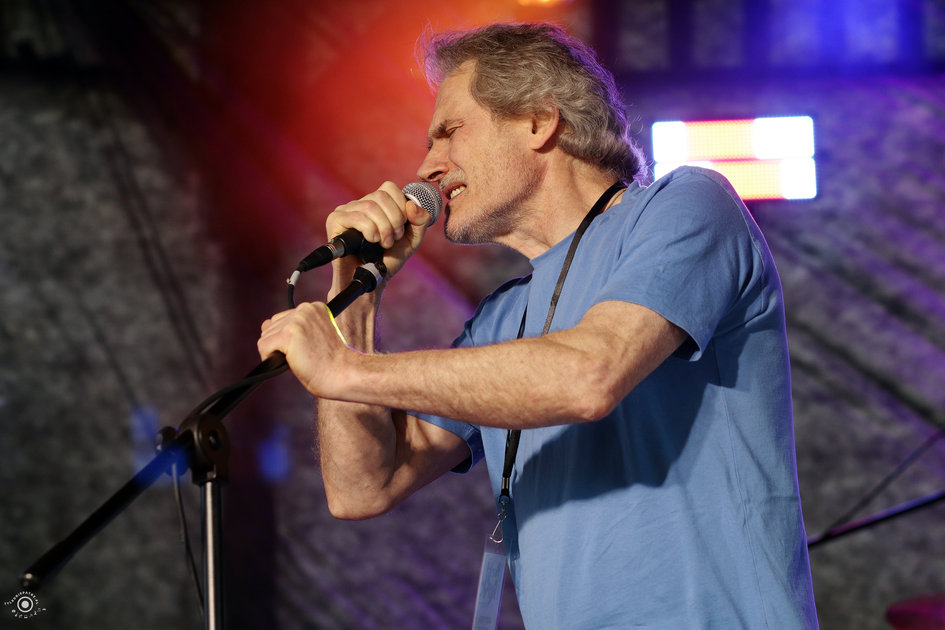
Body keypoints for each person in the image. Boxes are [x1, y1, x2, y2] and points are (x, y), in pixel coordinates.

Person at [257, 22, 819, 629]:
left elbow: (589, 377)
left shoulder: (687, 204)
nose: (427, 167)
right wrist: (355, 299)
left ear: (537, 121)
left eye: (449, 131)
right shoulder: (503, 317)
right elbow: (362, 489)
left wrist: (344, 370)